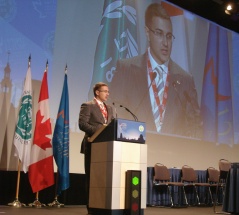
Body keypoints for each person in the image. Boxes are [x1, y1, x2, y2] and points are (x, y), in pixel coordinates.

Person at [110, 3, 202, 138]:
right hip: (133, 152)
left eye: (169, 36)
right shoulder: (126, 70)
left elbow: (195, 126)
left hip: (175, 156)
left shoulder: (185, 80)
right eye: (159, 33)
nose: (165, 43)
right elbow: (114, 113)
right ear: (148, 33)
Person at [78, 82, 114, 214]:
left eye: (108, 91)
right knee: (91, 178)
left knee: (104, 178)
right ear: (97, 92)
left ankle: (103, 205)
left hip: (107, 147)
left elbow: (113, 126)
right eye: (105, 91)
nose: (107, 94)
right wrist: (99, 132)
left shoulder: (110, 108)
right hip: (92, 145)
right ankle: (91, 208)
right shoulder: (87, 106)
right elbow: (82, 124)